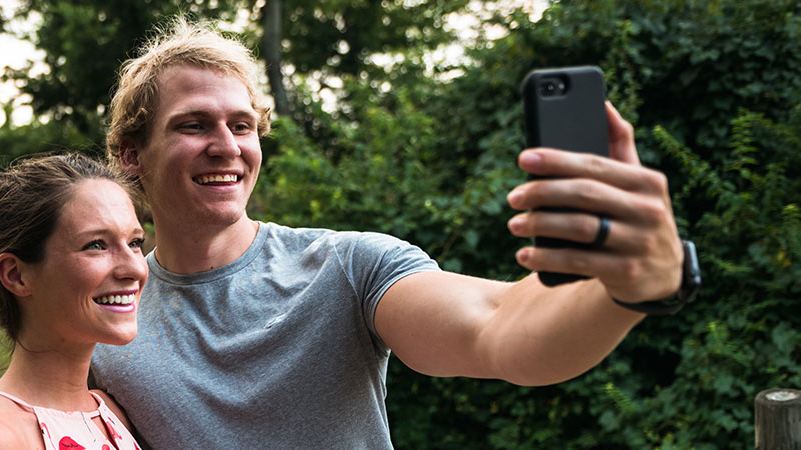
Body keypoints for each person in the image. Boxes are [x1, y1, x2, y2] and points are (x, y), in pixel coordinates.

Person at [89, 19, 697, 448]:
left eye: (243, 125)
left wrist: (631, 285)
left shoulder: (349, 268)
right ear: (131, 154)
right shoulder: (103, 311)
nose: (226, 146)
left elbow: (501, 330)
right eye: (194, 124)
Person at [0, 153, 149, 450]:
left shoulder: (111, 415)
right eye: (96, 245)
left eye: (134, 243)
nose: (135, 269)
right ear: (16, 275)